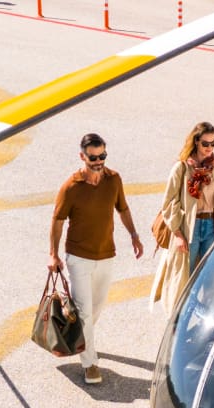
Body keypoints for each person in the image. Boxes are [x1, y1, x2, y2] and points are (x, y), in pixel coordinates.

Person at [49, 133, 143, 385]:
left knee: (95, 308)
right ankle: (90, 363)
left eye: (103, 156)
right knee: (85, 313)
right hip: (78, 257)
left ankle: (80, 337)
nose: (99, 161)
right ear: (82, 156)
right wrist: (53, 254)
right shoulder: (71, 187)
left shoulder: (113, 180)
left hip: (106, 255)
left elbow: (122, 208)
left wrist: (134, 235)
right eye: (93, 157)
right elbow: (57, 221)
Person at [151, 121, 214, 314]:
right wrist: (176, 233)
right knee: (185, 278)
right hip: (188, 229)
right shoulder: (182, 168)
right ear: (196, 142)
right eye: (205, 144)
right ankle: (178, 320)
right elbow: (169, 203)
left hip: (213, 226)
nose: (210, 148)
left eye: (213, 143)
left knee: (213, 277)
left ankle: (208, 322)